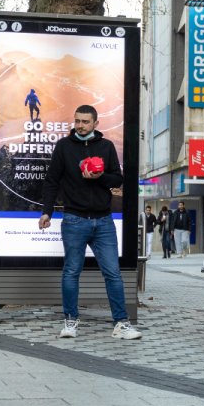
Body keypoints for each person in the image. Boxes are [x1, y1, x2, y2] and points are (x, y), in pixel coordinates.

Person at [38, 104, 141, 341]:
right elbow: (51, 181)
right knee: (71, 272)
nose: (81, 126)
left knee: (113, 274)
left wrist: (99, 177)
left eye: (85, 122)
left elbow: (118, 177)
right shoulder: (64, 146)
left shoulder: (106, 146)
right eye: (77, 121)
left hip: (104, 221)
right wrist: (46, 212)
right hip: (74, 219)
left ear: (96, 123)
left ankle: (121, 324)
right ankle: (71, 321)